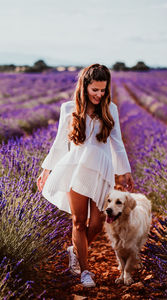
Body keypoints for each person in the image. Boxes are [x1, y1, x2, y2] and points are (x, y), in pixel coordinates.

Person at [37, 63, 134, 288]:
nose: (100, 94)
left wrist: (125, 171)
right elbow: (60, 144)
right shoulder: (68, 109)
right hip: (76, 168)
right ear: (85, 87)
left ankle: (75, 250)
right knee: (79, 222)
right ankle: (84, 271)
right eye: (95, 90)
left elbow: (117, 142)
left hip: (102, 171)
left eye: (103, 90)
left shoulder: (112, 109)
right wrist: (46, 170)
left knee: (98, 223)